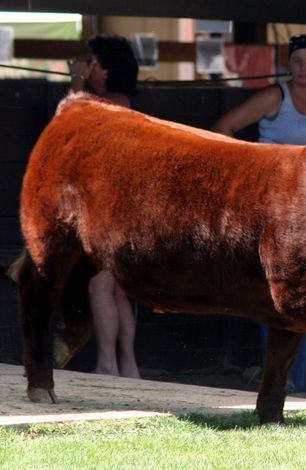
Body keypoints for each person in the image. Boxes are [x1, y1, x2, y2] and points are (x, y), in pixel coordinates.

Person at [213, 34, 306, 394]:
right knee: (282, 291)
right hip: (276, 205)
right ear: (290, 64)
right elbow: (223, 128)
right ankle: (283, 377)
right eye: (297, 60)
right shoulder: (275, 96)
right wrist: (251, 172)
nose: (304, 67)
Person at [67, 35, 141, 378]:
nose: (87, 66)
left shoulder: (116, 102)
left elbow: (70, 121)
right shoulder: (117, 99)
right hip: (119, 207)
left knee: (100, 286)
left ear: (107, 69)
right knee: (116, 290)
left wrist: (76, 80)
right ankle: (128, 365)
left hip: (113, 209)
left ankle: (108, 364)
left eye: (92, 62)